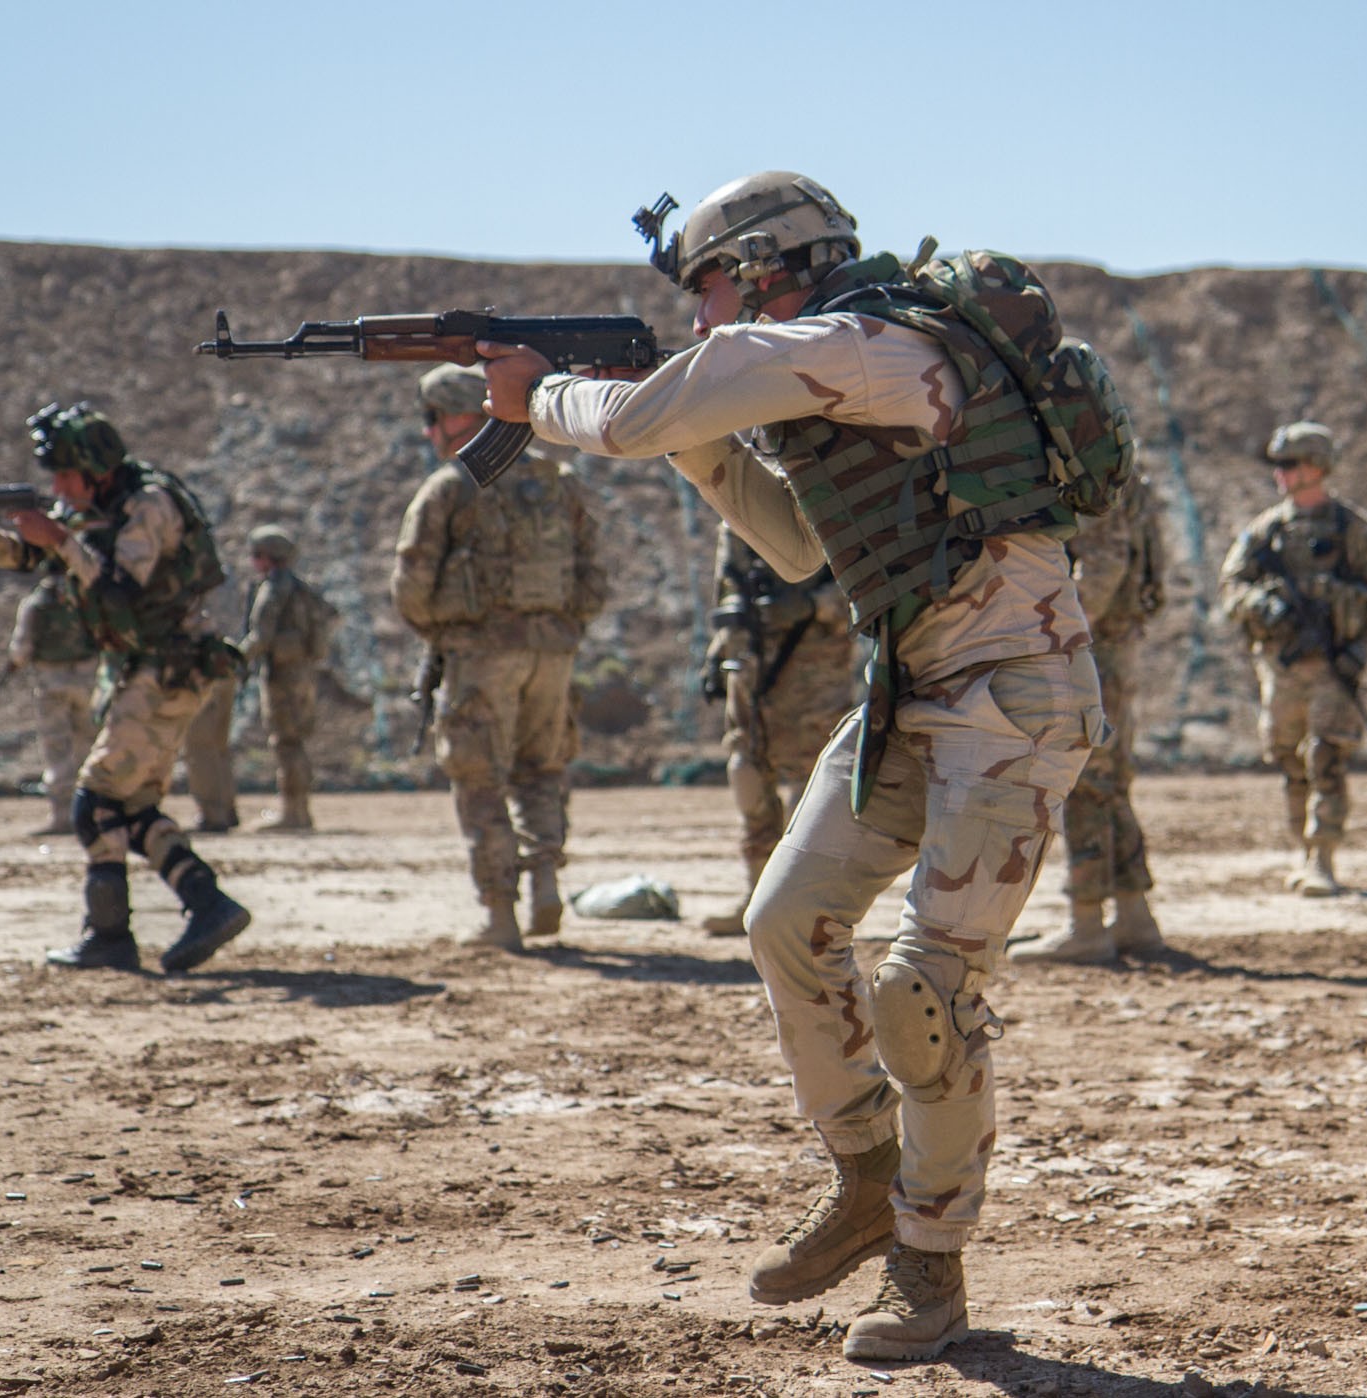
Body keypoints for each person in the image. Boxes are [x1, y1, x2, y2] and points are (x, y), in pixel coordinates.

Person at [477, 171, 1104, 1363]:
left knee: (924, 986)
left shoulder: (865, 344)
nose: (701, 314)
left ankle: (930, 1262)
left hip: (1015, 687)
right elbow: (800, 547)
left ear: (768, 266)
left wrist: (535, 396)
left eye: (708, 285)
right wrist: (698, 447)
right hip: (912, 682)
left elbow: (620, 417)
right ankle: (869, 1176)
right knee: (786, 920)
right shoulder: (827, 360)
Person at [0, 403, 252, 974]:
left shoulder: (148, 506)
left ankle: (112, 935)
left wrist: (60, 540)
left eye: (66, 475)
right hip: (145, 670)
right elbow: (36, 558)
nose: (58, 487)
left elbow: (120, 591)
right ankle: (206, 902)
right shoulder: (100, 509)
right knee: (133, 805)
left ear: (96, 469)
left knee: (94, 802)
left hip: (168, 668)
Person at [392, 363, 607, 949]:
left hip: (482, 657)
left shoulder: (451, 486)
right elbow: (595, 577)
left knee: (480, 779)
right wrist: (561, 629)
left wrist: (446, 630)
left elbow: (411, 583)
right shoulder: (559, 482)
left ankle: (499, 914)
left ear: (448, 419)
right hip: (554, 657)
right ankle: (542, 886)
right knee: (542, 772)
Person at [1219, 422, 1367, 897]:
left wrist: (1361, 651)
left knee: (1326, 757)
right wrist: (1262, 606)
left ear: (1317, 467)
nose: (1282, 474)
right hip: (1282, 667)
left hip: (1334, 668)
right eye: (1278, 465)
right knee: (1291, 760)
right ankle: (1302, 849)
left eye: (1290, 464)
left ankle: (1323, 858)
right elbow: (1231, 587)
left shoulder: (1352, 530)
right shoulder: (1266, 532)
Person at [1011, 469, 1168, 962]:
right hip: (1109, 645)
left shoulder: (1088, 474)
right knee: (1108, 781)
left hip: (1090, 649)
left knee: (1083, 781)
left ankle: (1087, 923)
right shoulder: (1115, 467)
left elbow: (1102, 566)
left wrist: (1049, 638)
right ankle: (1133, 914)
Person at [699, 522, 858, 937]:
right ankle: (757, 898)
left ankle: (808, 905)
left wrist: (813, 606)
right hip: (751, 665)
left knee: (813, 786)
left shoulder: (832, 492)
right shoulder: (738, 501)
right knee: (747, 772)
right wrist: (719, 650)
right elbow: (728, 588)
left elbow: (867, 588)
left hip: (816, 667)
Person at [238, 524, 332, 831]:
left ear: (268, 557)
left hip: (282, 676)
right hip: (304, 673)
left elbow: (260, 636)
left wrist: (234, 661)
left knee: (285, 742)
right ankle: (299, 810)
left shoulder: (274, 588)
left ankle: (293, 813)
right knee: (296, 741)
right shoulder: (301, 588)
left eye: (256, 555)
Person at [5, 572, 101, 837]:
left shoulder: (36, 603)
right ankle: (93, 813)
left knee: (57, 749)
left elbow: (21, 649)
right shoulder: (86, 597)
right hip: (89, 679)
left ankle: (63, 817)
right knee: (90, 747)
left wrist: (14, 664)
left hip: (52, 682)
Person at [182, 578, 243, 833]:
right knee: (217, 745)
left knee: (200, 746)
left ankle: (212, 813)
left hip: (200, 669)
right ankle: (226, 809)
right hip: (218, 663)